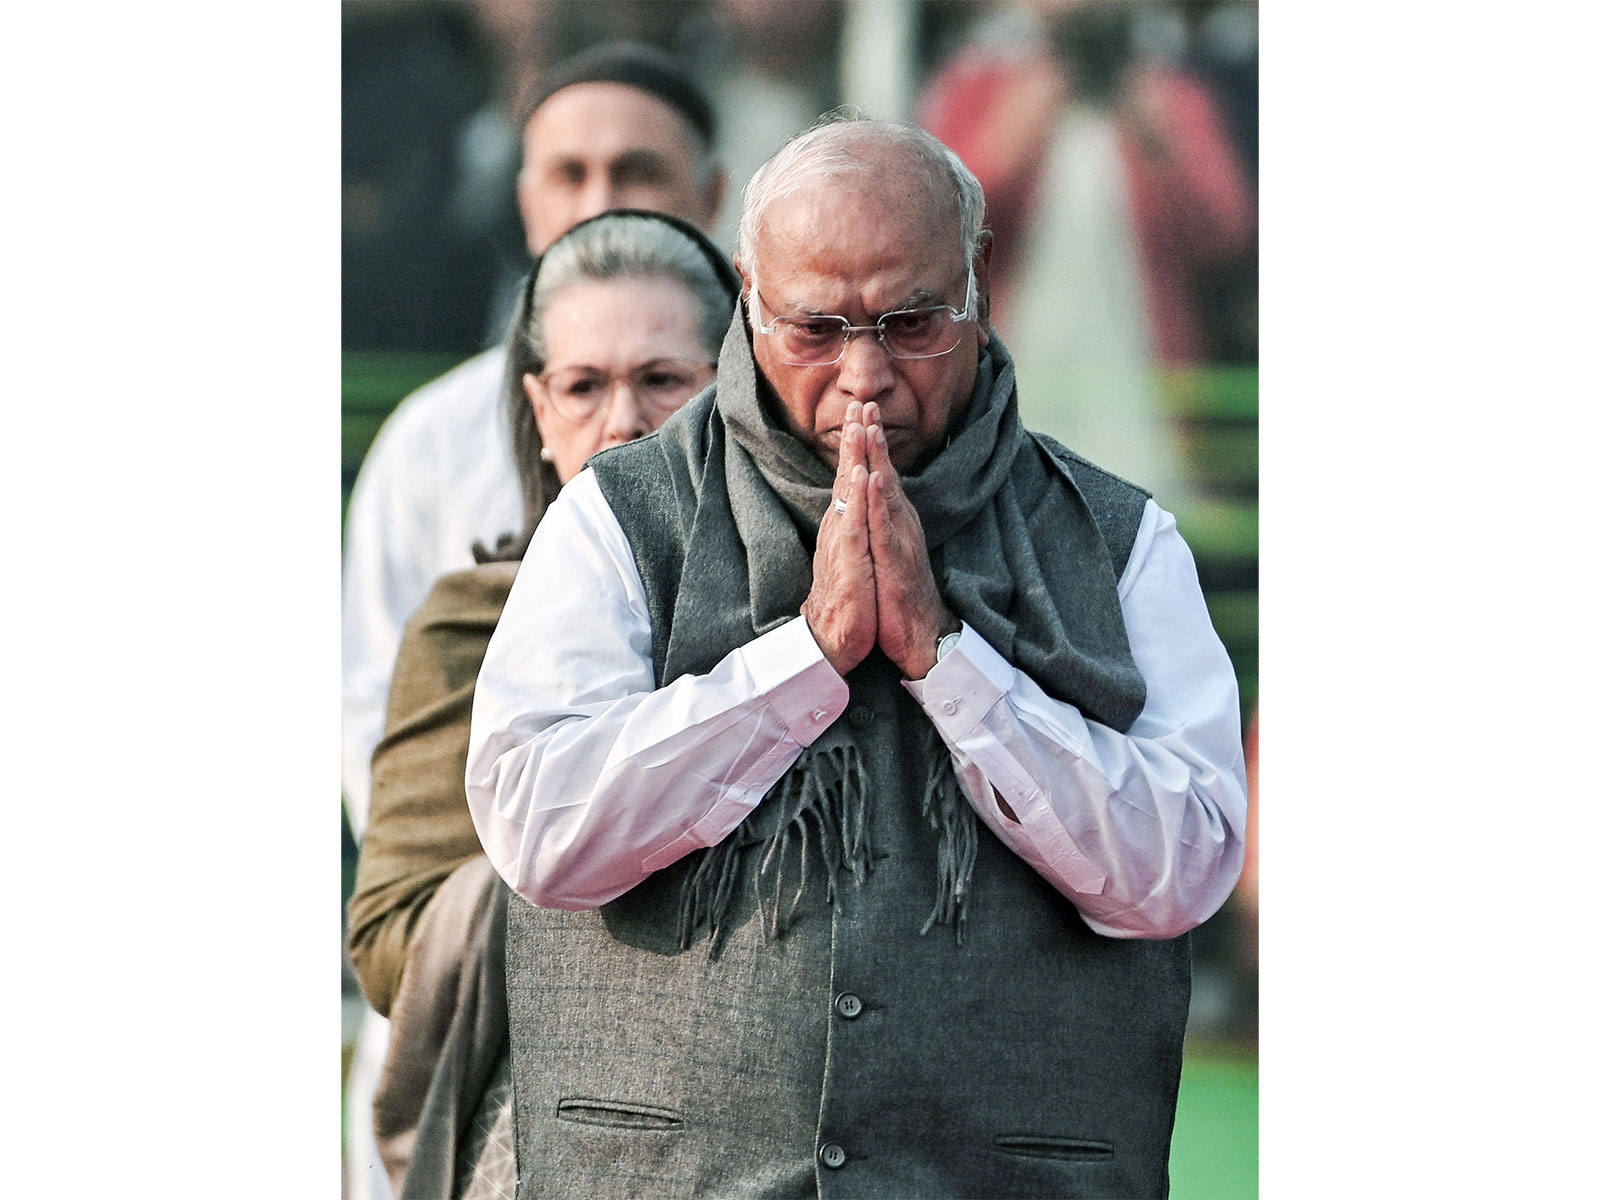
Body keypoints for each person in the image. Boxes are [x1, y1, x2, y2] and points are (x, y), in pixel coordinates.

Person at [466, 116, 1247, 1197]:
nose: (866, 375)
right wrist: (803, 663)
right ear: (749, 296)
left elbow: (1188, 865)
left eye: (911, 321)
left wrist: (950, 667)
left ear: (978, 284)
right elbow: (540, 827)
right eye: (818, 328)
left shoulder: (1114, 541)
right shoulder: (618, 517)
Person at [347, 209, 741, 1199]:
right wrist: (579, 838)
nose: (623, 420)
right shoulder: (468, 627)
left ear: (735, 389)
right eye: (584, 385)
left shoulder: (815, 621)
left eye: (662, 380)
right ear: (539, 405)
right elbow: (390, 937)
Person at [342, 40, 727, 833]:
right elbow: (374, 719)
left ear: (714, 194)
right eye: (568, 174)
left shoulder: (781, 432)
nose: (600, 204)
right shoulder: (431, 440)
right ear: (525, 202)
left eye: (638, 171)